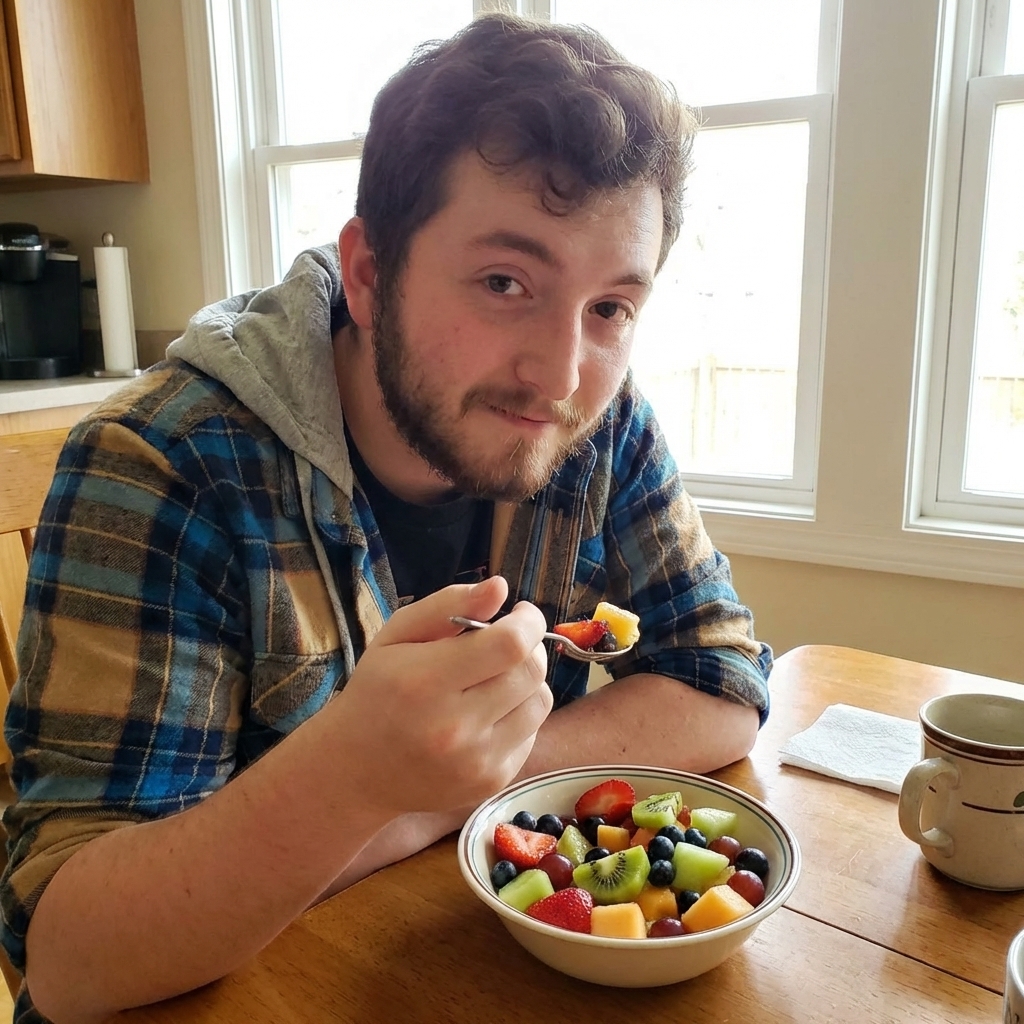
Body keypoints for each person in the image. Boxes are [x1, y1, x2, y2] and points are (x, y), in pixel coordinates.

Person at [0, 14, 771, 1024]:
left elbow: (721, 678)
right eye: (505, 281)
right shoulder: (165, 462)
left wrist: (435, 794)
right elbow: (67, 954)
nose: (560, 373)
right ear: (367, 274)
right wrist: (351, 776)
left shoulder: (598, 421)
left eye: (610, 308)